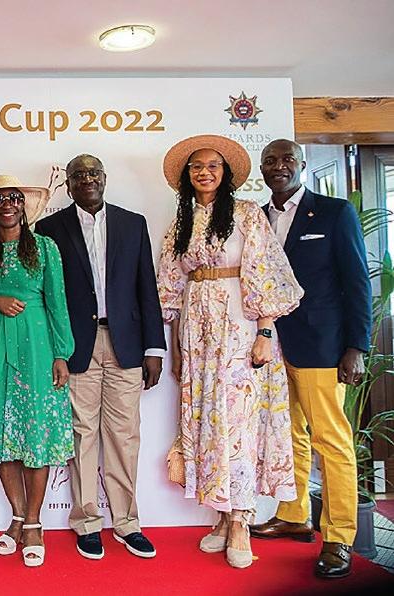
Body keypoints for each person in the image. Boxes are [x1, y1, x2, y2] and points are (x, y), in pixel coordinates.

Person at [157, 135, 303, 569]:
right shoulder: (181, 223)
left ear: (226, 173)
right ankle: (221, 513)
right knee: (209, 419)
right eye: (196, 167)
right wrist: (176, 345)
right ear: (187, 176)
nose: (204, 172)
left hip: (240, 327)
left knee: (238, 420)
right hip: (197, 332)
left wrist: (265, 332)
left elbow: (264, 272)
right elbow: (171, 285)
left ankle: (241, 519)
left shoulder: (246, 214)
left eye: (213, 166)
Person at [250, 139, 371, 579]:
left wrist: (357, 346)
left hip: (322, 346)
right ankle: (293, 513)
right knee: (288, 435)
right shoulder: (257, 217)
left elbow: (357, 281)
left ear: (301, 165)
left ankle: (339, 537)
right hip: (271, 346)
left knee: (331, 441)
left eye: (287, 160)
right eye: (270, 161)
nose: (278, 167)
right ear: (262, 169)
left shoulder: (335, 213)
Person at [36, 154, 165, 561]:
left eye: (93, 173)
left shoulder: (133, 223)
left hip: (127, 343)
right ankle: (88, 522)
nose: (87, 179)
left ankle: (127, 523)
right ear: (68, 184)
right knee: (82, 434)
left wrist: (154, 348)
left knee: (124, 436)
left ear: (104, 179)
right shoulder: (50, 229)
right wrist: (55, 350)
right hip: (77, 346)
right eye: (78, 175)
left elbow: (147, 288)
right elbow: (47, 297)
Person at [0, 174, 74, 568]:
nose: (7, 204)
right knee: (3, 433)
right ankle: (17, 517)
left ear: (23, 206)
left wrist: (62, 354)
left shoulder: (45, 247)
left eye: (14, 197)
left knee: (34, 432)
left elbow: (57, 302)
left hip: (38, 348)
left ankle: (35, 523)